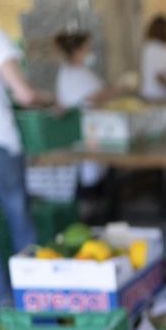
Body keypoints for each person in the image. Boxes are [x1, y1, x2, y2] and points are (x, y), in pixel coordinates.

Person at [0, 19, 51, 303]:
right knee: (20, 222)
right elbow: (25, 94)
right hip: (0, 145)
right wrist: (52, 100)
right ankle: (37, 298)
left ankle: (3, 306)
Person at [54, 31, 120, 221]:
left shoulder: (70, 71)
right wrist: (118, 88)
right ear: (80, 49)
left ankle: (95, 214)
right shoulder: (75, 72)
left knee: (94, 174)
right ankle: (95, 218)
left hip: (85, 131)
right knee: (92, 177)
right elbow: (93, 96)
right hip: (86, 131)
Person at [141, 14, 166, 101]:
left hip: (155, 97)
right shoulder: (157, 50)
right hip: (160, 99)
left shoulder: (151, 48)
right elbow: (160, 76)